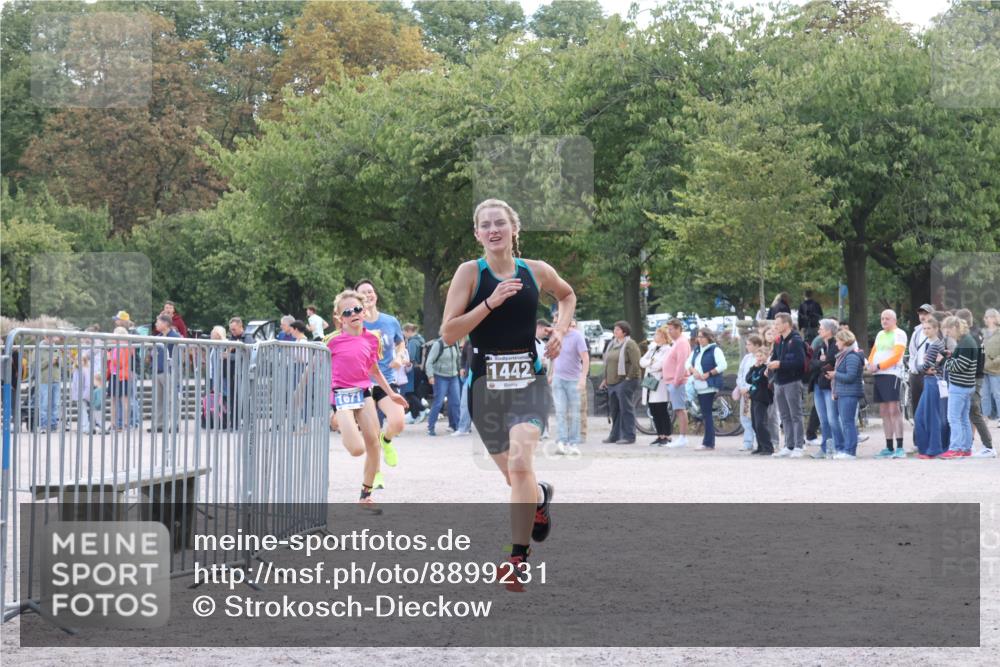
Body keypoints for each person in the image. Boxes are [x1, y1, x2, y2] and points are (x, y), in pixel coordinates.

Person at [439, 198, 575, 592]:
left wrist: (560, 330)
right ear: (477, 234)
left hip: (528, 382)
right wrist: (490, 302)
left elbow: (566, 296)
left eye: (500, 222)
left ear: (514, 229)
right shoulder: (469, 273)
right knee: (515, 477)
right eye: (486, 225)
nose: (493, 230)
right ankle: (539, 499)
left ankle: (517, 558)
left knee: (519, 462)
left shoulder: (536, 270)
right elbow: (449, 333)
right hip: (485, 387)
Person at [328, 290, 408, 509]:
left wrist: (391, 393)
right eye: (347, 312)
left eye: (357, 309)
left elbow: (374, 369)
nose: (353, 313)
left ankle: (366, 494)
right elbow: (316, 367)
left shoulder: (372, 339)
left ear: (364, 312)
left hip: (364, 393)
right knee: (357, 449)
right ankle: (336, 419)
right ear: (339, 318)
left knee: (373, 443)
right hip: (341, 395)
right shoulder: (331, 341)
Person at [355, 280, 405, 469]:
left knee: (398, 423)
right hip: (363, 382)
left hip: (386, 380)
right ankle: (375, 474)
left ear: (375, 294)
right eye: (363, 293)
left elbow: (400, 342)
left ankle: (387, 440)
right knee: (371, 434)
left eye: (370, 291)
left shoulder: (390, 321)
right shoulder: (354, 322)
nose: (368, 295)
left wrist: (399, 357)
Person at [868, 309, 908, 459]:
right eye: (882, 318)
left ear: (894, 320)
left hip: (892, 374)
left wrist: (879, 366)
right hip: (879, 375)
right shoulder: (880, 334)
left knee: (893, 410)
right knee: (884, 411)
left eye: (887, 318)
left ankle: (900, 447)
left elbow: (897, 355)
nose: (884, 321)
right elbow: (873, 352)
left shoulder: (899, 334)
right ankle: (889, 446)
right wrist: (870, 364)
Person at [939, 316, 979, 458]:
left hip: (959, 386)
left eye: (948, 331)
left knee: (954, 418)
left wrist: (943, 360)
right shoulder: (967, 340)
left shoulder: (965, 343)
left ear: (955, 328)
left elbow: (960, 366)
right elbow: (963, 361)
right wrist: (951, 356)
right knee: (963, 418)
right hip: (967, 385)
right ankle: (966, 448)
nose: (948, 334)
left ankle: (955, 448)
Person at [956, 308, 994, 456]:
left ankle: (988, 446)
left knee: (974, 411)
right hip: (977, 376)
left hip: (974, 377)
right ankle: (969, 443)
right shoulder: (977, 333)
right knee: (971, 411)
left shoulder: (970, 337)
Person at [768, 313, 806, 457]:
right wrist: (770, 365)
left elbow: (800, 363)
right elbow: (774, 358)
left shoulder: (795, 341)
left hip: (792, 382)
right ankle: (788, 445)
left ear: (786, 324)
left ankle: (799, 446)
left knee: (795, 414)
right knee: (784, 415)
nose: (775, 326)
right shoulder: (778, 341)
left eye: (777, 324)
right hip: (779, 382)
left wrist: (780, 364)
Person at [550, 316, 589, 454]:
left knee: (574, 413)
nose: (555, 324)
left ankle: (573, 443)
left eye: (557, 322)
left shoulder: (577, 336)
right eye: (554, 322)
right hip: (558, 379)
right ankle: (561, 441)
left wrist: (583, 378)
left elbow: (585, 358)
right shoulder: (555, 335)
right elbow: (554, 356)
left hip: (574, 380)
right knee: (560, 412)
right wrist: (552, 374)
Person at [600, 321, 641, 445]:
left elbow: (636, 363)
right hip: (612, 382)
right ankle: (615, 435)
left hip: (625, 381)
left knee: (626, 409)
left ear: (624, 332)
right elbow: (608, 363)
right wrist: (605, 379)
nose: (615, 331)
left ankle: (629, 436)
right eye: (614, 329)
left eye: (618, 329)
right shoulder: (612, 344)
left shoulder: (630, 344)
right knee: (615, 410)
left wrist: (628, 378)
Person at [686, 328, 727, 450]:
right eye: (698, 337)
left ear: (708, 337)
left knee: (706, 414)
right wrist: (693, 371)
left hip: (708, 385)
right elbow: (687, 363)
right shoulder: (697, 350)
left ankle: (708, 442)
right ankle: (708, 441)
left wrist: (708, 374)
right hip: (698, 385)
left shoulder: (715, 350)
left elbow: (723, 365)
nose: (699, 339)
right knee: (705, 413)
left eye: (702, 337)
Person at [913, 316, 946, 458]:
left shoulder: (935, 345)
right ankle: (926, 448)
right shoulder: (934, 344)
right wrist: (923, 367)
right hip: (930, 381)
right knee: (921, 416)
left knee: (930, 416)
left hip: (933, 382)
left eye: (929, 328)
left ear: (936, 329)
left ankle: (933, 449)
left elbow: (924, 367)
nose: (926, 331)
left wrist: (920, 367)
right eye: (924, 328)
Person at [829, 329, 865, 459]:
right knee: (846, 422)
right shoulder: (845, 355)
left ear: (844, 341)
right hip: (843, 392)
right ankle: (847, 449)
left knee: (848, 423)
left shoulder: (851, 356)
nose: (836, 343)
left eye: (838, 341)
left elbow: (850, 376)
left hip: (849, 393)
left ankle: (850, 451)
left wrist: (835, 374)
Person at [810, 319, 841, 459]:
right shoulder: (820, 346)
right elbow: (811, 364)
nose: (818, 330)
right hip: (818, 385)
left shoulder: (836, 345)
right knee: (823, 419)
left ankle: (839, 446)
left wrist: (821, 363)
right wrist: (821, 363)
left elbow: (832, 362)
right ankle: (825, 447)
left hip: (830, 385)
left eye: (821, 328)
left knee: (832, 418)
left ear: (829, 331)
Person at [149, 314, 182, 436]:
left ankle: (174, 424)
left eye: (158, 322)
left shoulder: (175, 337)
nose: (156, 324)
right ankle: (159, 424)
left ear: (165, 323)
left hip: (169, 371)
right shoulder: (158, 337)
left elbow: (178, 356)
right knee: (158, 400)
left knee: (172, 399)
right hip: (158, 371)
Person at [639, 325, 671, 447]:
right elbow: (642, 361)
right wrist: (650, 363)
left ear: (663, 336)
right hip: (650, 381)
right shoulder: (652, 347)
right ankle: (659, 435)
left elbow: (660, 365)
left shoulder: (667, 349)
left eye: (657, 334)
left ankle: (667, 436)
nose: (655, 336)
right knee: (653, 409)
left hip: (659, 382)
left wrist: (650, 365)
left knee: (661, 409)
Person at [662, 318, 692, 449]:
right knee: (678, 409)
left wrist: (676, 381)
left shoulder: (682, 343)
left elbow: (681, 363)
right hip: (672, 381)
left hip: (678, 382)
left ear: (679, 329)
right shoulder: (676, 342)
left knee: (680, 409)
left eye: (671, 329)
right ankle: (681, 437)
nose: (669, 332)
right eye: (668, 329)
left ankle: (683, 438)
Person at [424, 334, 462, 436]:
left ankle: (457, 426)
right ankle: (430, 428)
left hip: (453, 376)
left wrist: (460, 368)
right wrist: (430, 376)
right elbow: (429, 361)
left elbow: (458, 357)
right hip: (440, 377)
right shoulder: (438, 344)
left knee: (456, 402)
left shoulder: (455, 342)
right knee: (438, 403)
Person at [907, 304, 935, 423]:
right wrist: (913, 369)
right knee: (917, 407)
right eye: (921, 314)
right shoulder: (917, 331)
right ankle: (918, 432)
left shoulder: (937, 331)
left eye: (926, 313)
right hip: (916, 374)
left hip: (931, 374)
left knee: (930, 407)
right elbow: (912, 353)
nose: (923, 316)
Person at [735, 334, 763, 452]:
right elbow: (741, 373)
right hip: (744, 392)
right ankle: (747, 442)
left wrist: (749, 388)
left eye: (749, 344)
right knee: (745, 417)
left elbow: (758, 376)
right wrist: (741, 387)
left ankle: (758, 442)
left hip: (754, 392)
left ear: (756, 345)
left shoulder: (760, 358)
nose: (747, 346)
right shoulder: (746, 358)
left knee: (755, 418)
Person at [746, 345, 774, 455]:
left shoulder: (766, 368)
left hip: (762, 397)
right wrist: (754, 367)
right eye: (757, 356)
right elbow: (748, 379)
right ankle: (760, 446)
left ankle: (768, 447)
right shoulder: (755, 368)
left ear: (766, 356)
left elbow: (760, 379)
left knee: (760, 423)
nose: (759, 358)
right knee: (754, 424)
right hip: (754, 397)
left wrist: (760, 368)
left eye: (761, 356)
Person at [107, 327, 132, 433]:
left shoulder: (125, 346)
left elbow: (121, 363)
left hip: (122, 376)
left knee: (124, 401)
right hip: (114, 375)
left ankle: (125, 423)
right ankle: (113, 423)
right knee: (113, 400)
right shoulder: (115, 347)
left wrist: (110, 358)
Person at [401, 323, 426, 423]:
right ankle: (414, 415)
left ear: (409, 331)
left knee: (408, 392)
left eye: (404, 332)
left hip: (413, 369)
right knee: (415, 392)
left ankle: (422, 409)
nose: (403, 334)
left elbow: (411, 357)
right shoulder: (421, 339)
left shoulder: (412, 342)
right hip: (420, 369)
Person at [983, 308, 1000, 423]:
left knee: (997, 394)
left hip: (996, 369)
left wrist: (994, 361)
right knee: (985, 395)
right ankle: (985, 417)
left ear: (994, 318)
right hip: (983, 369)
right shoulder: (983, 332)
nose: (985, 319)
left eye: (987, 317)